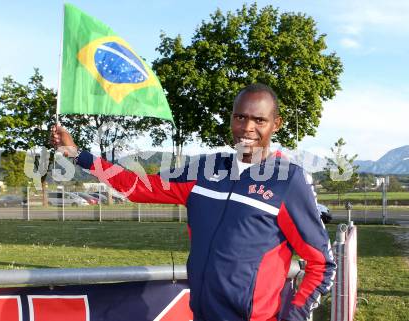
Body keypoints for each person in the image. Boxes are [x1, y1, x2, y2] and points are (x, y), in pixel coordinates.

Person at [51, 83, 335, 321]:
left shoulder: (288, 180)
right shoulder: (203, 171)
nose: (247, 127)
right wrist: (77, 154)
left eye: (259, 120)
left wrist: (295, 316)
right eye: (240, 117)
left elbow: (321, 265)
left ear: (276, 124)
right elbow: (134, 186)